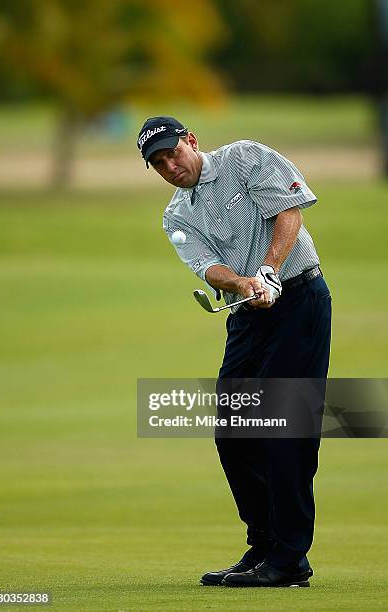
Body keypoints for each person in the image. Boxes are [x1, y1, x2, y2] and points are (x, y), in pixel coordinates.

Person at [137, 116, 332, 588]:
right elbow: (208, 267)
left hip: (299, 301)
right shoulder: (177, 215)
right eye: (158, 162)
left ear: (191, 141)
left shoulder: (244, 158)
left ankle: (289, 560)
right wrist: (244, 282)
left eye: (172, 152)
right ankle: (264, 543)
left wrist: (268, 270)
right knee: (233, 432)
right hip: (247, 316)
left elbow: (290, 210)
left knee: (283, 431)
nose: (169, 165)